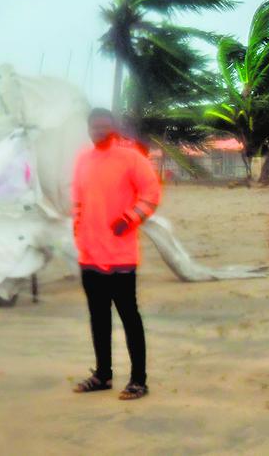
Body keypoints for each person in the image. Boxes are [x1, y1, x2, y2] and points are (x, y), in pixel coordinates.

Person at [70, 108, 162, 400]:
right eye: (94, 125)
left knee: (129, 317)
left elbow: (151, 193)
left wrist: (130, 218)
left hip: (121, 255)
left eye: (104, 124)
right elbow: (78, 201)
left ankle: (138, 380)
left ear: (113, 127)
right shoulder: (83, 160)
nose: (99, 129)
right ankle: (102, 375)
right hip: (90, 255)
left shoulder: (131, 157)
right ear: (88, 128)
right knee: (98, 317)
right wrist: (78, 232)